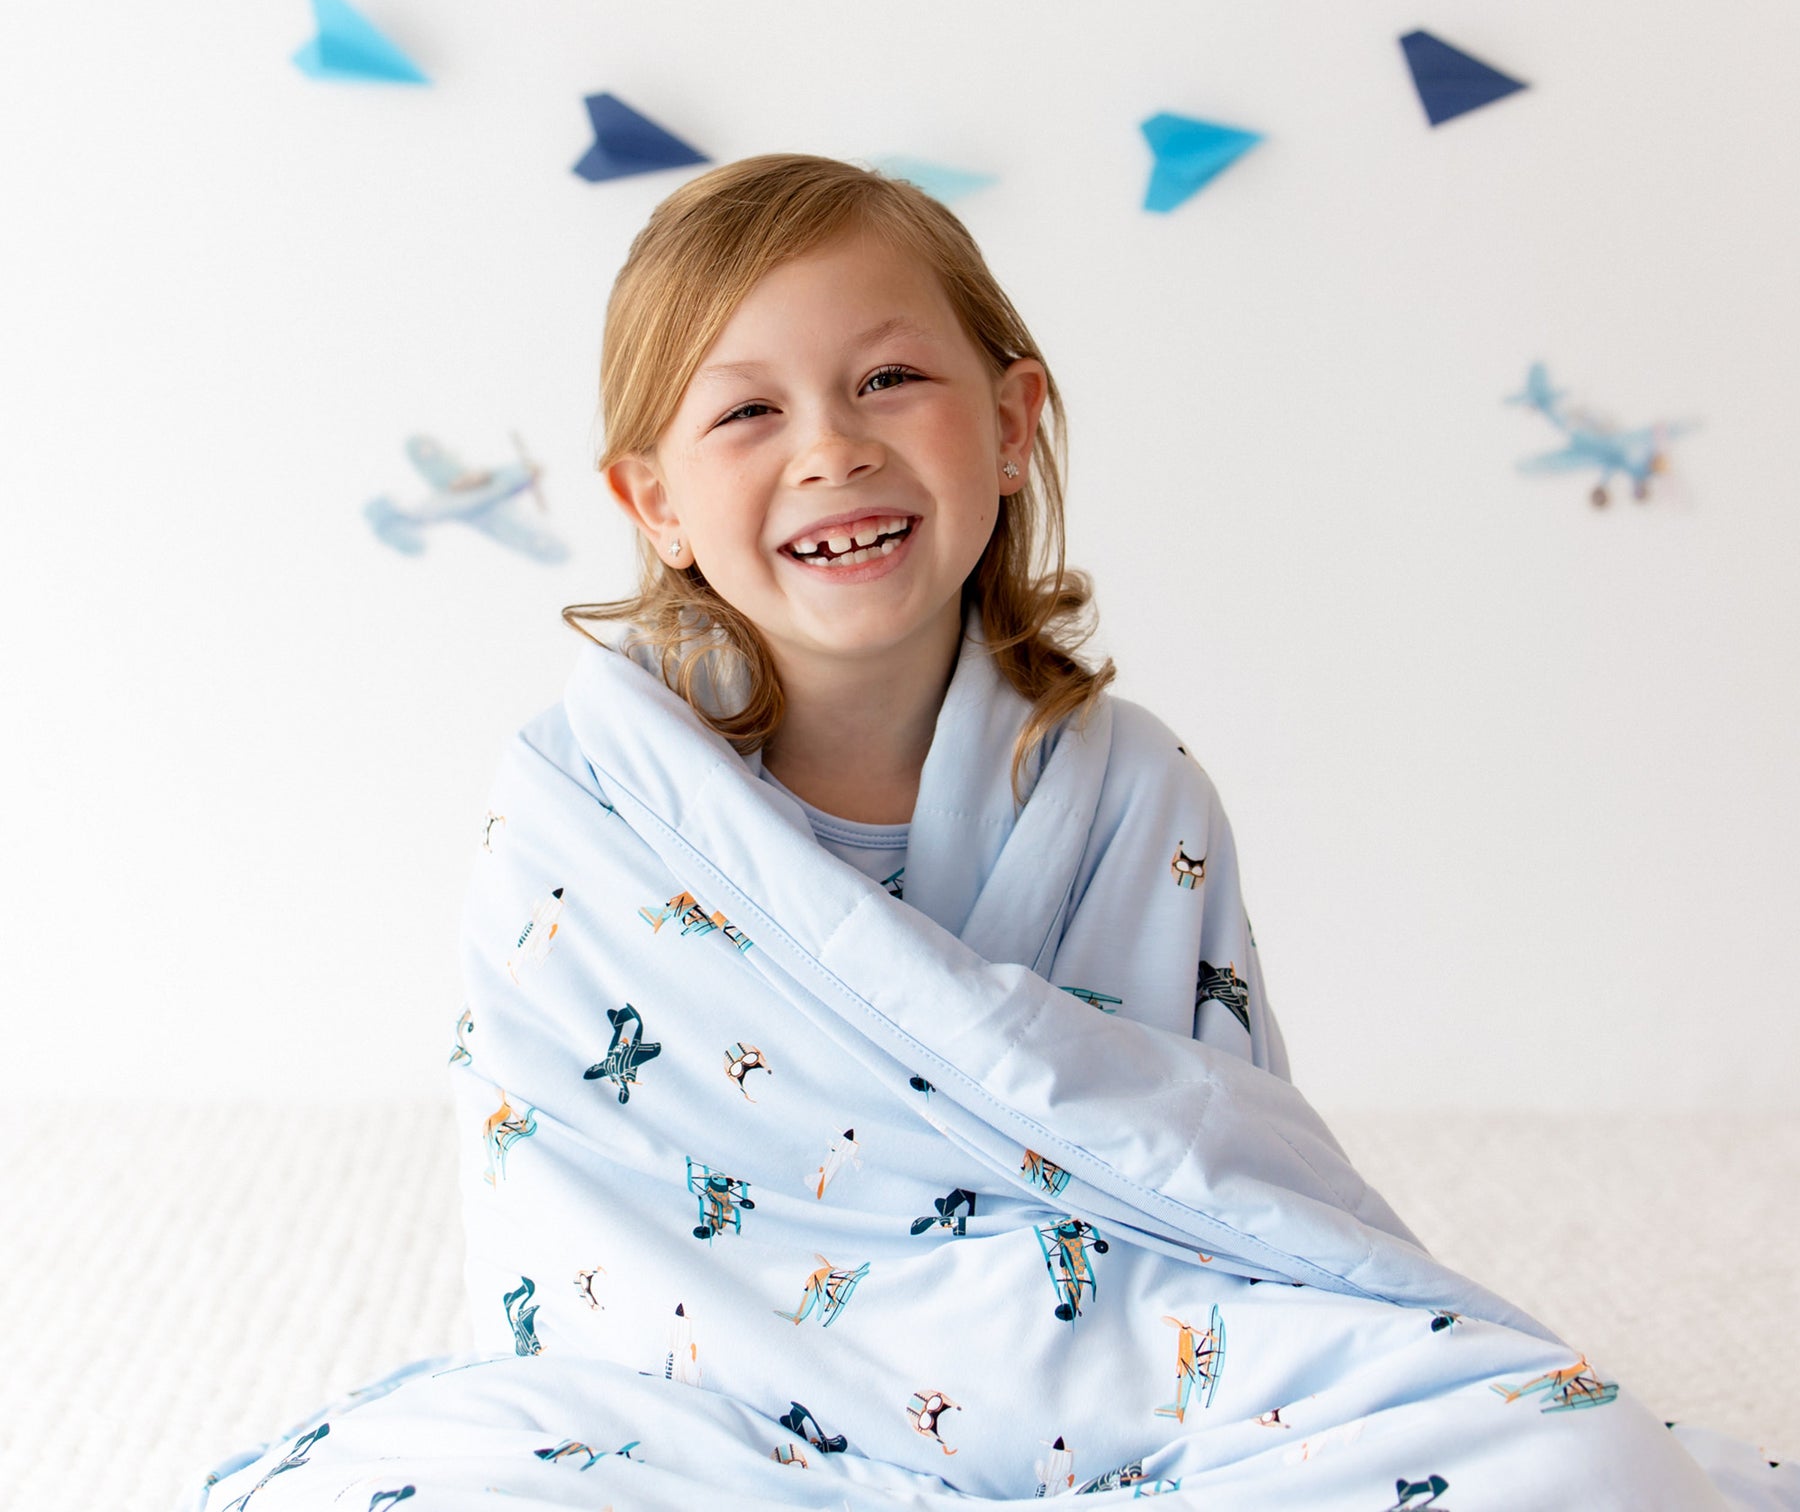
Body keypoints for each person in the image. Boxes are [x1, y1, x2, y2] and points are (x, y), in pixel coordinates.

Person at [187, 156, 1791, 1509]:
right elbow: (575, 1219)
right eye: (746, 412)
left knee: (1584, 1459)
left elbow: (1212, 1182)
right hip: (716, 1398)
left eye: (889, 379)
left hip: (1120, 1365)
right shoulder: (584, 805)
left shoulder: (1129, 790)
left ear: (1014, 423)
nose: (833, 447)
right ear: (653, 501)